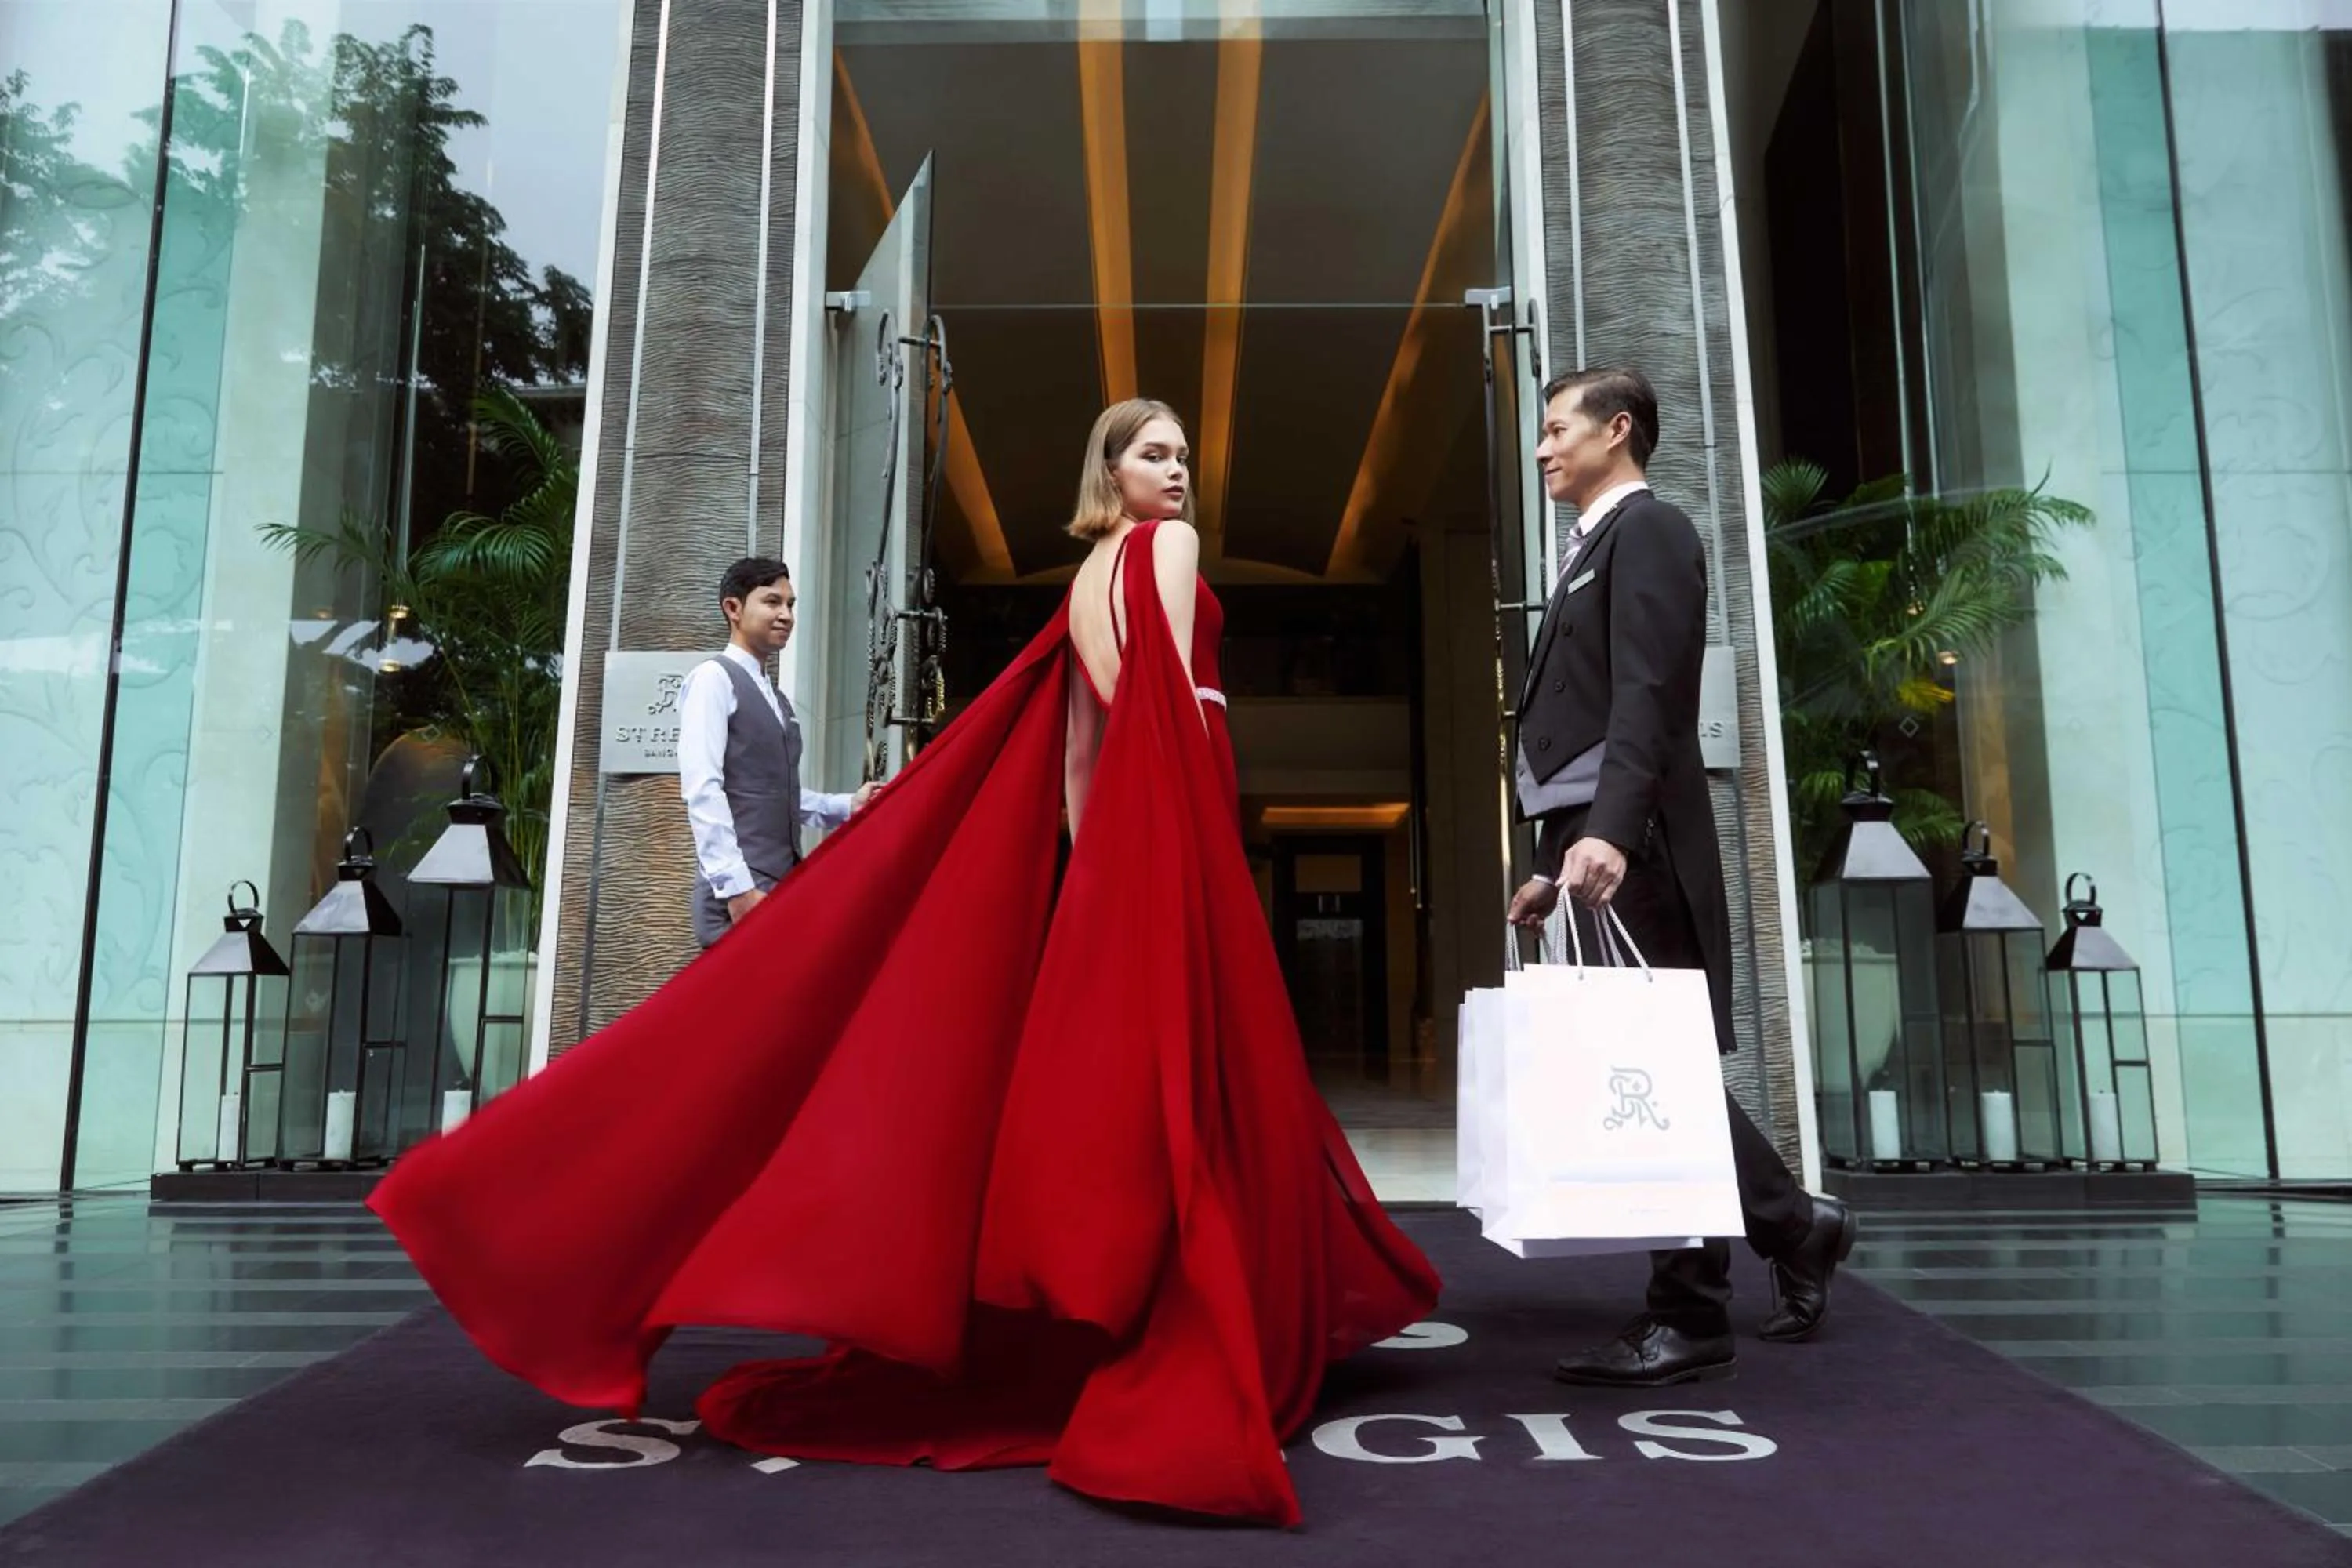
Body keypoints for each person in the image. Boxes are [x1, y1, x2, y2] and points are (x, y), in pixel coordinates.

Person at [367, 398, 1439, 1529]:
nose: (1179, 475)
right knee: (1204, 1059)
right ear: (1111, 468)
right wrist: (1187, 850)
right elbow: (1166, 697)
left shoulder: (1082, 584)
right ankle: (1204, 1306)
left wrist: (1099, 866)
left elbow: (1084, 753)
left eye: (1183, 457)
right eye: (1154, 454)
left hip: (1130, 839)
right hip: (1179, 819)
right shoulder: (1165, 549)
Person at [1505, 367, 1856, 1388]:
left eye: (1557, 428)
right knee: (1650, 1069)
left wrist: (1613, 832)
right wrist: (1548, 864)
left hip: (1639, 841)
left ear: (1618, 429)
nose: (1542, 448)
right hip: (1596, 841)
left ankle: (1696, 1307)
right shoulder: (1591, 546)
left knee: (1650, 1072)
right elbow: (1585, 719)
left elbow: (1649, 695)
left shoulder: (1650, 531)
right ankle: (1789, 1226)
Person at [678, 557, 877, 947]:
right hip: (740, 895)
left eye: (791, 604)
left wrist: (846, 806)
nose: (786, 615)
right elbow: (703, 790)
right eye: (772, 602)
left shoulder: (777, 699)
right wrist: (738, 892)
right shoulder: (712, 680)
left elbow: (773, 795)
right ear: (733, 608)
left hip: (780, 888)